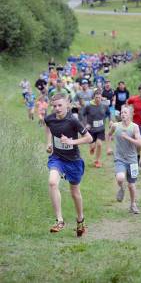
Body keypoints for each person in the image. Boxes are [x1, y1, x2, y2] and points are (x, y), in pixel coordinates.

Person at [44, 93, 93, 236]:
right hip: (57, 158)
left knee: (75, 192)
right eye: (54, 106)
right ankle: (60, 220)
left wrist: (72, 142)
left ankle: (80, 220)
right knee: (52, 182)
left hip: (73, 161)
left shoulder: (73, 120)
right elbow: (47, 128)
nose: (57, 108)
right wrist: (48, 142)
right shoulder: (50, 119)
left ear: (67, 105)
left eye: (60, 105)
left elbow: (89, 138)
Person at [109, 106, 141, 214]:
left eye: (125, 112)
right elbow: (109, 134)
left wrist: (127, 137)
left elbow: (139, 143)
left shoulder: (135, 127)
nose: (123, 114)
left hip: (132, 160)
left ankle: (133, 205)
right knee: (120, 178)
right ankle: (122, 188)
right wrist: (109, 147)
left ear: (130, 114)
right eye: (122, 112)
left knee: (132, 185)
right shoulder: (115, 126)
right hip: (120, 158)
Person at [83, 89, 110, 168]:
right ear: (93, 98)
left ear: (101, 97)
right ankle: (92, 148)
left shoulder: (104, 106)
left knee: (99, 144)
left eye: (99, 97)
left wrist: (111, 121)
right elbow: (82, 115)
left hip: (101, 129)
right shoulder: (88, 106)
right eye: (96, 97)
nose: (98, 99)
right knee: (92, 146)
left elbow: (109, 113)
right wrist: (86, 124)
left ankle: (97, 161)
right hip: (91, 130)